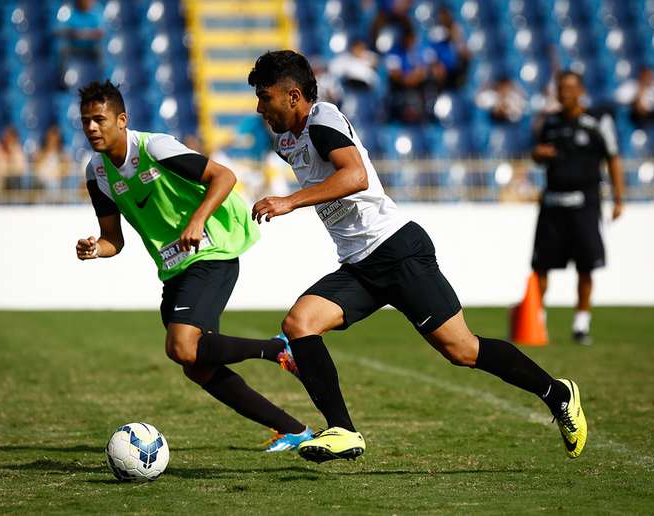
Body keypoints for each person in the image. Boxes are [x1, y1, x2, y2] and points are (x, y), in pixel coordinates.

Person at [247, 50, 587, 463]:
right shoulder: (286, 140)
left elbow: (355, 176)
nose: (260, 107)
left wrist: (290, 201)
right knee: (299, 324)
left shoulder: (323, 120)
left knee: (462, 350)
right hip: (360, 264)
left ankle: (557, 392)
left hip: (397, 250)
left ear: (294, 95)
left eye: (265, 97)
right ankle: (343, 431)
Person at [74, 80, 312, 452]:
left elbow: (224, 176)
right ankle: (293, 429)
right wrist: (95, 247)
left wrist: (198, 219)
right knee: (197, 365)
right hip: (175, 269)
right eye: (86, 121)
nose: (91, 128)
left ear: (122, 120)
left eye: (99, 119)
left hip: (211, 248)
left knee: (183, 347)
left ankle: (279, 349)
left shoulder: (154, 147)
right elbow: (113, 240)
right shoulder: (97, 173)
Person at [531, 70, 625, 344]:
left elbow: (614, 159)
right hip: (552, 205)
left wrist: (619, 199)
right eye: (561, 88)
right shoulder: (549, 123)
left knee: (586, 267)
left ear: (580, 90)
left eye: (571, 88)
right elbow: (538, 155)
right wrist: (538, 155)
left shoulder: (597, 122)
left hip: (585, 205)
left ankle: (581, 326)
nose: (565, 93)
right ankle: (538, 323)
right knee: (541, 268)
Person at [33, 125, 71, 200]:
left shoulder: (63, 155)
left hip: (58, 185)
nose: (53, 141)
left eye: (55, 139)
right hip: (43, 185)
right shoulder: (40, 154)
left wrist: (57, 174)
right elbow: (36, 170)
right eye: (50, 138)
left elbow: (66, 171)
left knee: (54, 184)